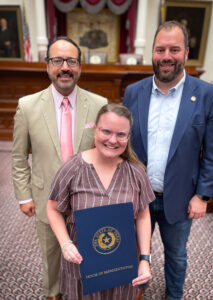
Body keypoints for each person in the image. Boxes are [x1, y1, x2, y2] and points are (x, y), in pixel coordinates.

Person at [123, 20, 213, 300]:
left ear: (186, 53)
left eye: (174, 49)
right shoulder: (134, 92)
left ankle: (173, 296)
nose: (166, 56)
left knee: (176, 255)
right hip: (138, 195)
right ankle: (133, 295)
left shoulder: (207, 95)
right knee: (134, 252)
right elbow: (123, 142)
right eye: (160, 50)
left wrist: (202, 196)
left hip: (179, 197)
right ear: (152, 54)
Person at [11, 36, 107, 300]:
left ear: (80, 66)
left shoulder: (99, 105)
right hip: (46, 199)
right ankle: (53, 295)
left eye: (71, 61)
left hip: (88, 201)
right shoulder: (27, 106)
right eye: (57, 60)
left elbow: (107, 154)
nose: (65, 66)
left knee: (88, 256)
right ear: (47, 66)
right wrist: (24, 196)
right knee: (51, 257)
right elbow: (19, 157)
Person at [46, 103, 155, 300]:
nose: (113, 140)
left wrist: (145, 259)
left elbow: (143, 215)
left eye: (121, 134)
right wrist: (65, 243)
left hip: (122, 265)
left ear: (128, 137)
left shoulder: (136, 172)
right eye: (106, 131)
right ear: (94, 129)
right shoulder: (73, 168)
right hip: (81, 265)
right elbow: (53, 208)